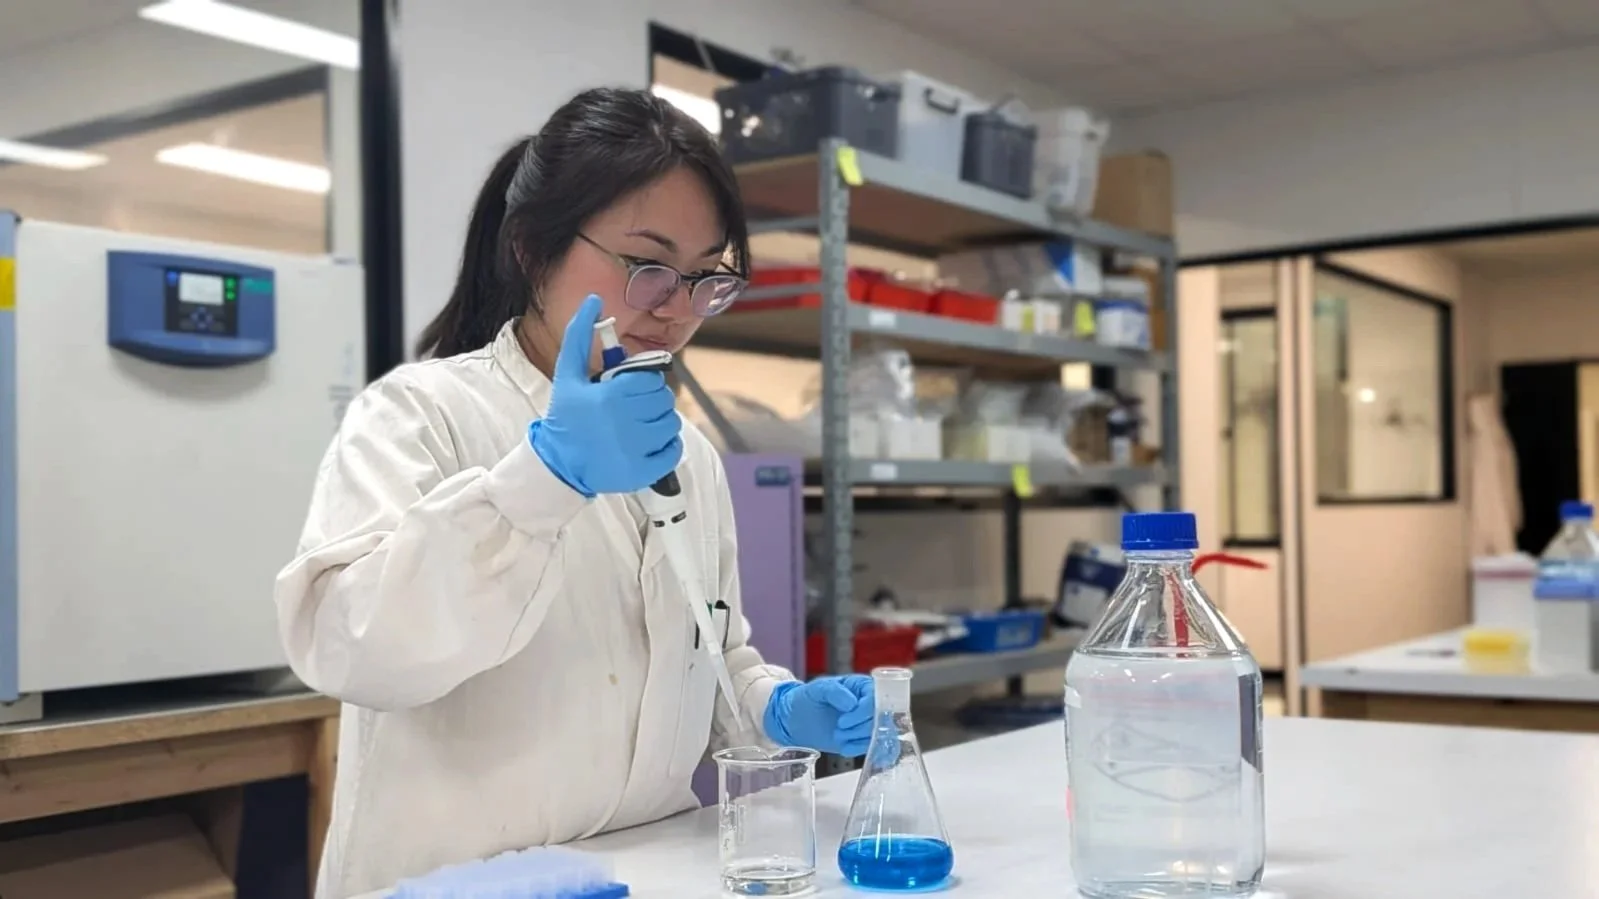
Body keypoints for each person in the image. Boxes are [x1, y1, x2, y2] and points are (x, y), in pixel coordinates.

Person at [274, 87, 875, 899]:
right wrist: (544, 479)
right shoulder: (419, 414)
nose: (675, 310)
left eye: (706, 279)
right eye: (647, 266)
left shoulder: (688, 454)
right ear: (532, 249)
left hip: (651, 873)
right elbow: (353, 648)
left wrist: (774, 707)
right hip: (456, 886)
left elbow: (711, 646)